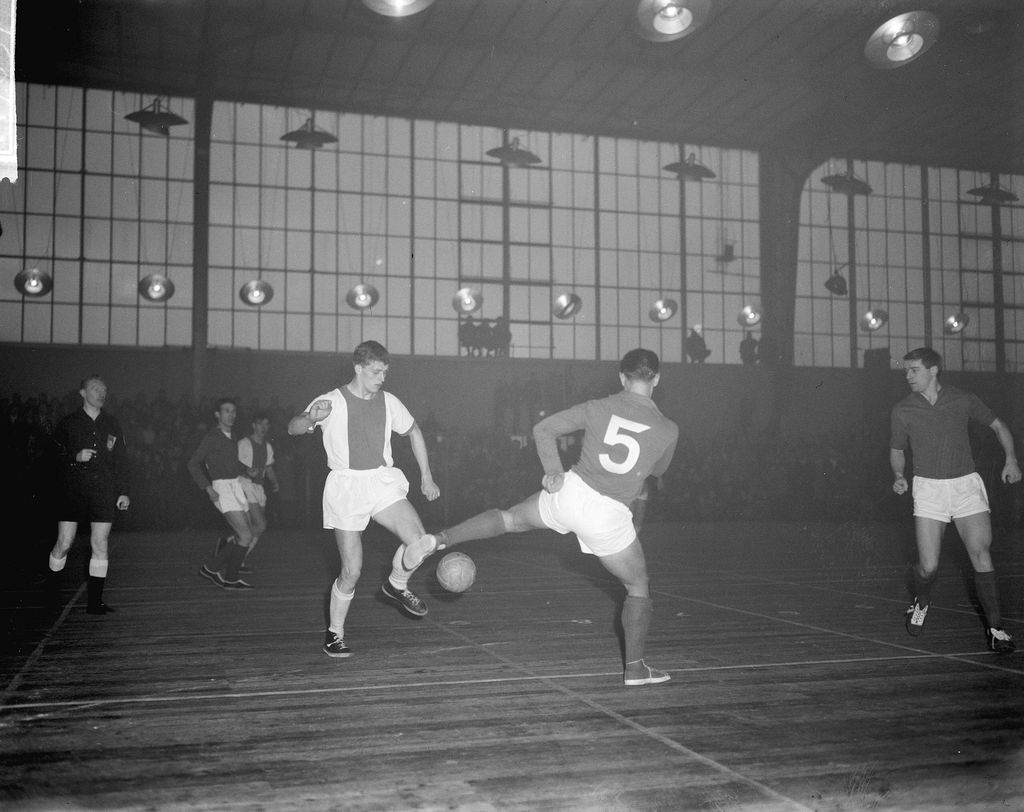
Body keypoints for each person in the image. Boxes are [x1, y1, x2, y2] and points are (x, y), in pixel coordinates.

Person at [404, 348, 679, 686]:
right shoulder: (668, 429)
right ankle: (635, 669)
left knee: (508, 519)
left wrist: (553, 471)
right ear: (657, 379)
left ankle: (439, 539)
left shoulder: (597, 407)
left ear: (622, 377)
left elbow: (543, 429)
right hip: (608, 514)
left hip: (569, 493)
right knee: (637, 585)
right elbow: (658, 469)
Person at [287, 340, 441, 659]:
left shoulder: (389, 401)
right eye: (375, 372)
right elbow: (293, 428)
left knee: (421, 543)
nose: (381, 378)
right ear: (358, 368)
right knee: (352, 571)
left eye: (385, 372)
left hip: (381, 481)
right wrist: (311, 418)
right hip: (347, 487)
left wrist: (426, 476)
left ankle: (397, 584)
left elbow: (414, 431)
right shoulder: (332, 400)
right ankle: (335, 633)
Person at [891, 347, 1020, 654]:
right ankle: (921, 601)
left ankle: (996, 630)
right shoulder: (902, 409)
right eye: (906, 371)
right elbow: (896, 449)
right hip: (929, 490)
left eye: (914, 370)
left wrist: (1012, 460)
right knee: (928, 566)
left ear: (933, 370)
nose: (908, 376)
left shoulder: (963, 399)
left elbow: (999, 426)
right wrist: (898, 474)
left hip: (965, 487)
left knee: (981, 555)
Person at [47, 376, 130, 614]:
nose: (101, 393)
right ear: (83, 393)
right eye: (95, 389)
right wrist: (75, 456)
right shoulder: (68, 423)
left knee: (100, 543)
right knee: (64, 543)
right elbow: (51, 456)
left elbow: (121, 460)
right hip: (73, 490)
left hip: (103, 490)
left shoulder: (112, 423)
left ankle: (95, 602)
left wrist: (124, 491)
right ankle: (51, 597)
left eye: (104, 389)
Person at [187, 398, 256, 591]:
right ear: (217, 414)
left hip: (235, 485)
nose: (231, 414)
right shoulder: (212, 437)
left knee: (246, 534)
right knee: (245, 535)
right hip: (222, 488)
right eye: (226, 411)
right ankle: (228, 577)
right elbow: (192, 464)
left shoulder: (232, 436)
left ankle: (212, 569)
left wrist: (246, 470)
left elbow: (231, 463)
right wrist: (207, 487)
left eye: (233, 411)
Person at [237, 412, 280, 573]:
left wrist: (275, 482)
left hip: (259, 488)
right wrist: (246, 471)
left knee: (254, 528)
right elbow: (233, 464)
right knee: (260, 525)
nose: (263, 427)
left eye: (266, 424)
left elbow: (269, 468)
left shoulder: (267, 446)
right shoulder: (244, 443)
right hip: (244, 484)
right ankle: (230, 547)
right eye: (260, 424)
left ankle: (237, 560)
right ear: (254, 425)